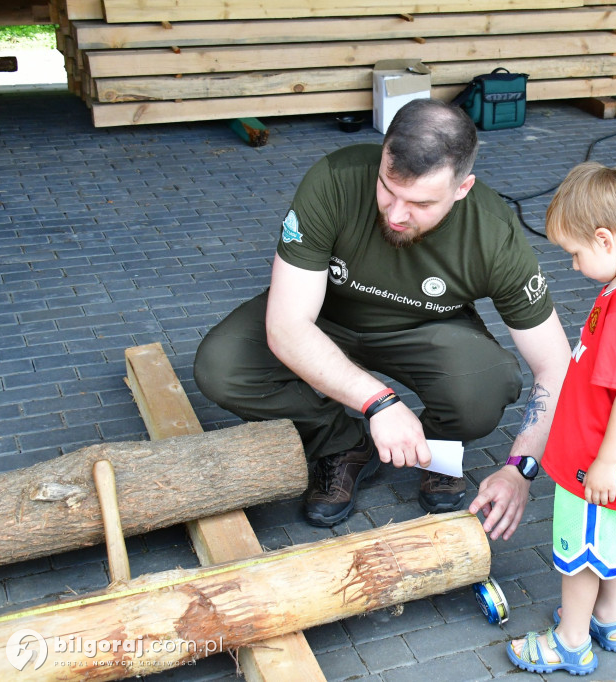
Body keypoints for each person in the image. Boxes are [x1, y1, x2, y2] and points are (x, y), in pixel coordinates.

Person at [193, 98, 570, 540]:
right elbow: (286, 326)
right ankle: (342, 443)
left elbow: (556, 365)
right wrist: (379, 403)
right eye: (388, 188)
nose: (395, 214)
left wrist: (520, 469)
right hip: (325, 316)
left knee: (485, 386)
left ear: (462, 188)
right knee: (221, 367)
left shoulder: (494, 234)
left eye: (421, 202)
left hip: (426, 329)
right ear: (382, 156)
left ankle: (438, 452)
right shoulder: (334, 179)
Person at [507, 163, 616, 675]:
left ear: (605, 240)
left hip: (593, 461)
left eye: (576, 254)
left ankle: (570, 641)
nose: (576, 266)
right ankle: (610, 617)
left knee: (581, 552)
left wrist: (604, 461)